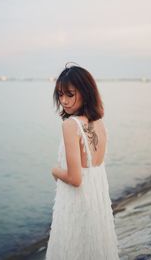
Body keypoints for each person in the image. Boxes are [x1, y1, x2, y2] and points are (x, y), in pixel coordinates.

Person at [45, 63, 120, 260]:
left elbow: (76, 178)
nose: (64, 101)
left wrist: (55, 171)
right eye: (60, 95)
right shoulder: (99, 123)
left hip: (76, 203)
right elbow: (94, 167)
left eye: (70, 94)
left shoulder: (71, 125)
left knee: (72, 249)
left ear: (86, 92)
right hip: (96, 202)